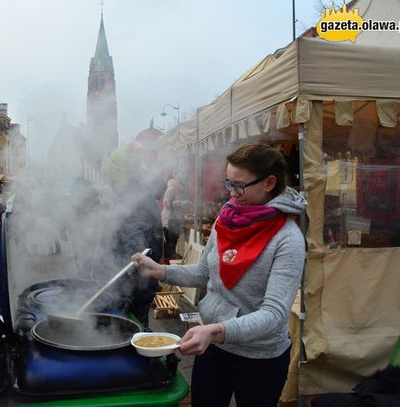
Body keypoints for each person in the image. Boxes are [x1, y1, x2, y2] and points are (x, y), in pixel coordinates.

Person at [132, 143, 307, 407]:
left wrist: (215, 331)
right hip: (213, 346)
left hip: (259, 357)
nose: (232, 194)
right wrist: (162, 271)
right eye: (229, 183)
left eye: (240, 185)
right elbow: (206, 273)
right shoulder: (226, 219)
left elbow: (274, 315)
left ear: (270, 182)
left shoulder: (287, 238)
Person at [105, 145, 164, 329]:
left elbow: (135, 248)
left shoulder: (129, 199)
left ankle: (152, 355)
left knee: (131, 330)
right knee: (140, 324)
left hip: (134, 282)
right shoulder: (143, 192)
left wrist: (125, 291)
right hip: (146, 279)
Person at [161, 177, 188, 259]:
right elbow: (166, 203)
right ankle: (169, 259)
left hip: (175, 219)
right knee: (171, 241)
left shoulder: (179, 190)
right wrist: (181, 203)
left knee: (173, 240)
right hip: (170, 219)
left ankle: (170, 257)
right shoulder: (172, 189)